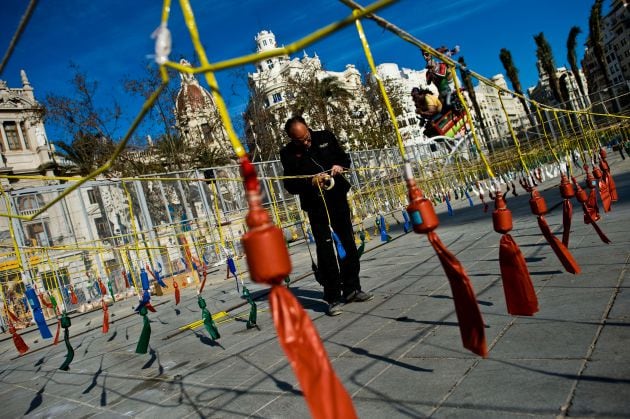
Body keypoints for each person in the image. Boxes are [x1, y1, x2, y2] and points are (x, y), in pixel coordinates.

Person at [280, 116, 373, 316]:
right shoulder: (287, 154)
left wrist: (339, 166)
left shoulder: (325, 137)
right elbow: (290, 184)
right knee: (325, 248)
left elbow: (344, 158)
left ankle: (352, 288)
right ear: (291, 138)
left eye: (307, 138)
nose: (306, 143)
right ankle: (332, 296)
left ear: (308, 129)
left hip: (337, 197)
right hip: (315, 205)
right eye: (300, 141)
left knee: (347, 242)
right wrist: (311, 182)